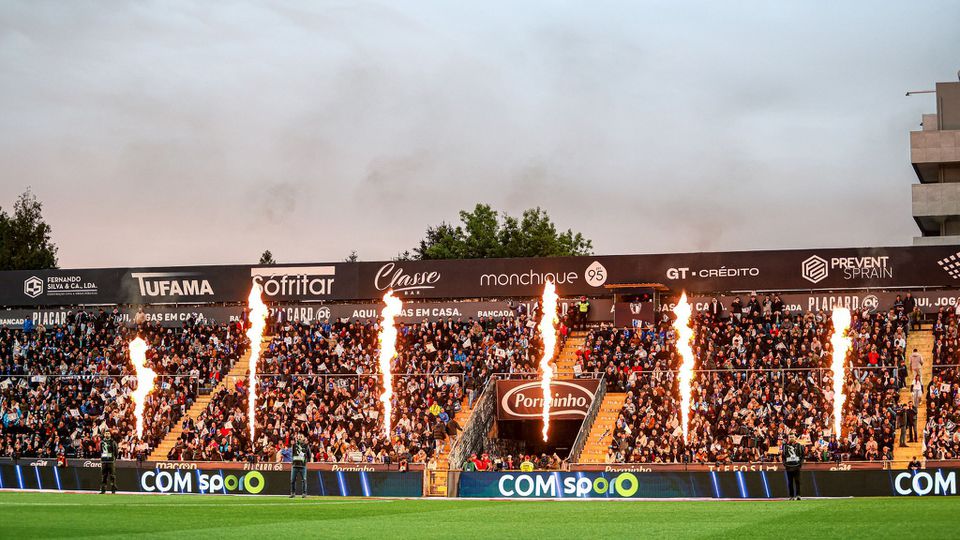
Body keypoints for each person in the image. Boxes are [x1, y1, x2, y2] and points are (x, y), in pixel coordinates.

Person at [782, 433, 804, 501]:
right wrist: (785, 464)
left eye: (792, 437)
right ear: (788, 438)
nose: (791, 438)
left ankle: (798, 495)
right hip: (789, 467)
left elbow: (802, 455)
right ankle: (791, 496)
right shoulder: (785, 446)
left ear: (795, 438)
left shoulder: (799, 446)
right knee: (790, 482)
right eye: (790, 437)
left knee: (797, 481)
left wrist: (800, 464)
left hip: (796, 466)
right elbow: (783, 456)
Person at [290, 434, 310, 498]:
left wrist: (305, 461)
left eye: (301, 437)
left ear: (303, 438)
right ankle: (293, 493)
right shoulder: (294, 445)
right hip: (295, 465)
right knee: (292, 480)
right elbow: (292, 454)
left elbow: (309, 455)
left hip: (302, 466)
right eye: (298, 437)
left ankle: (304, 493)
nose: (299, 438)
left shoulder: (306, 446)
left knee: (304, 480)